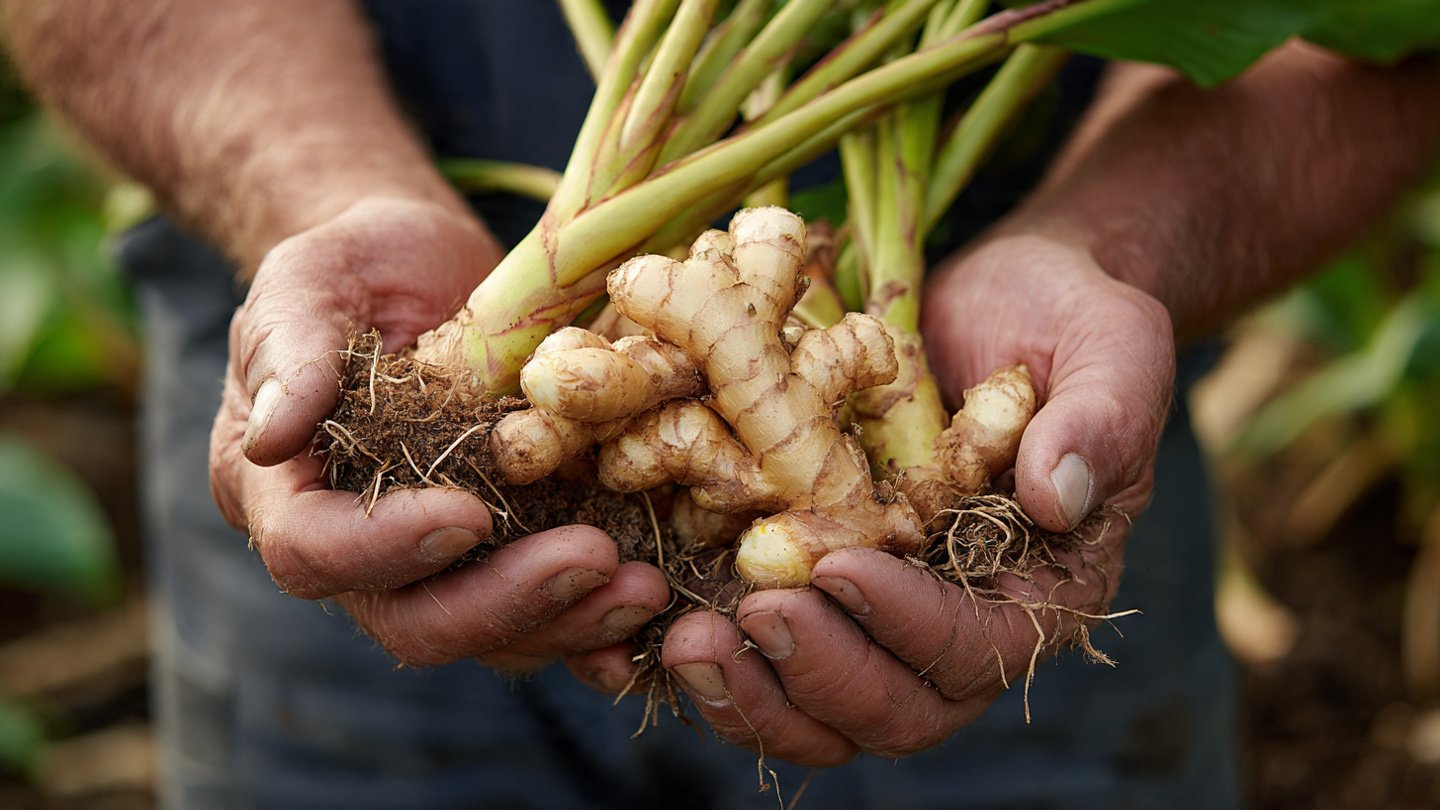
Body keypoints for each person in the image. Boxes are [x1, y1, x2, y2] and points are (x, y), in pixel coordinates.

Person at [5, 2, 1438, 808]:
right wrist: (321, 194)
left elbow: (1379, 35)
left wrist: (1108, 250)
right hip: (329, 322)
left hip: (1040, 388)